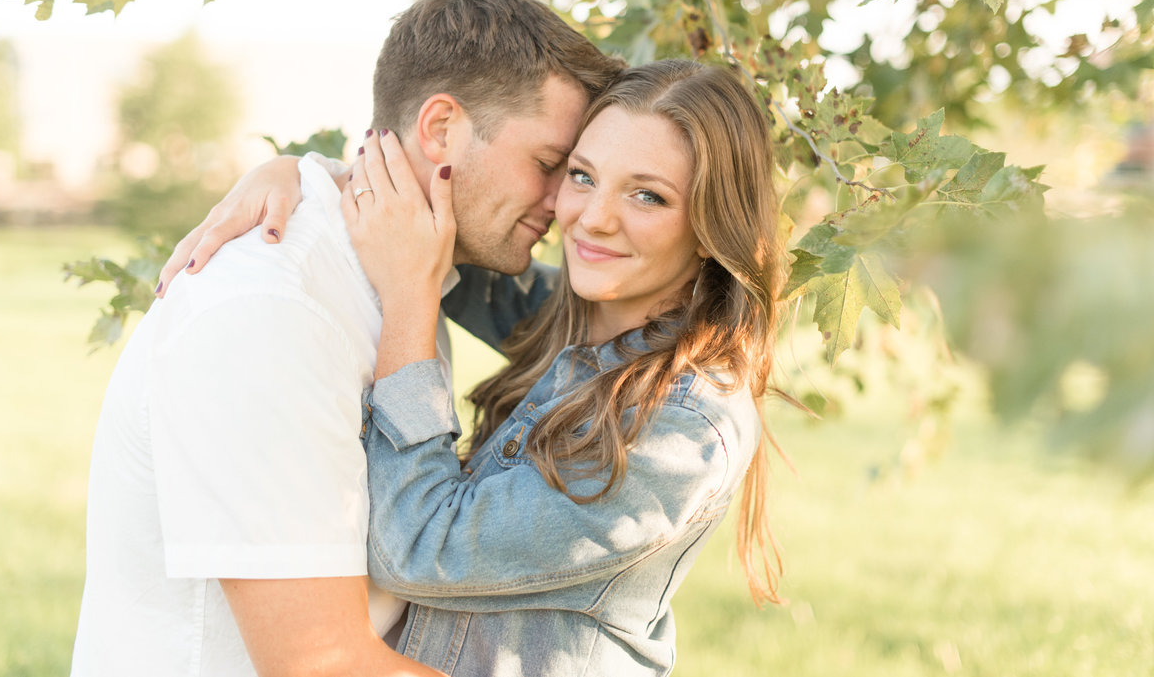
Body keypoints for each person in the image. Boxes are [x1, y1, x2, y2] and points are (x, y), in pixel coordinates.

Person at [69, 0, 622, 677]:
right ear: (441, 128)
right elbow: (320, 665)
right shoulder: (272, 312)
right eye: (550, 165)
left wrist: (309, 171)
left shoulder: (408, 273)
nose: (565, 204)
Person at [178, 59, 788, 676]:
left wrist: (411, 303)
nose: (592, 217)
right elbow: (430, 228)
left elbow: (419, 547)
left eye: (647, 194)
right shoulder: (571, 314)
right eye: (580, 175)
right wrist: (302, 178)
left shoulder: (681, 429)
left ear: (714, 224)